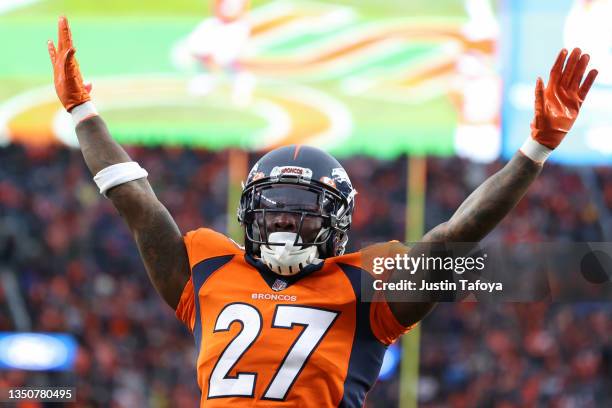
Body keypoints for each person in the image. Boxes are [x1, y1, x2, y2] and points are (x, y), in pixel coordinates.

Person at [48, 16, 597, 407]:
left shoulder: (367, 283)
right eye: (274, 211)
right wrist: (82, 111)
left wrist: (535, 151)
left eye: (301, 213)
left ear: (336, 223)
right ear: (249, 216)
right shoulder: (211, 265)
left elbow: (461, 231)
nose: (284, 223)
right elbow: (137, 203)